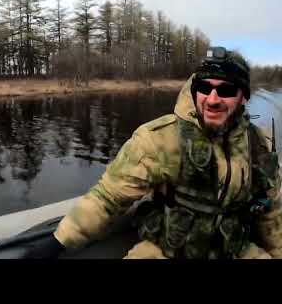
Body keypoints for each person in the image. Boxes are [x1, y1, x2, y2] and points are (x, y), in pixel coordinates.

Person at [31, 46, 282, 259]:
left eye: (226, 91)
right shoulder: (159, 139)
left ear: (244, 97)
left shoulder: (258, 144)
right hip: (167, 250)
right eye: (204, 88)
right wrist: (57, 241)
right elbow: (108, 198)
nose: (213, 99)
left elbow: (271, 213)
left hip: (234, 250)